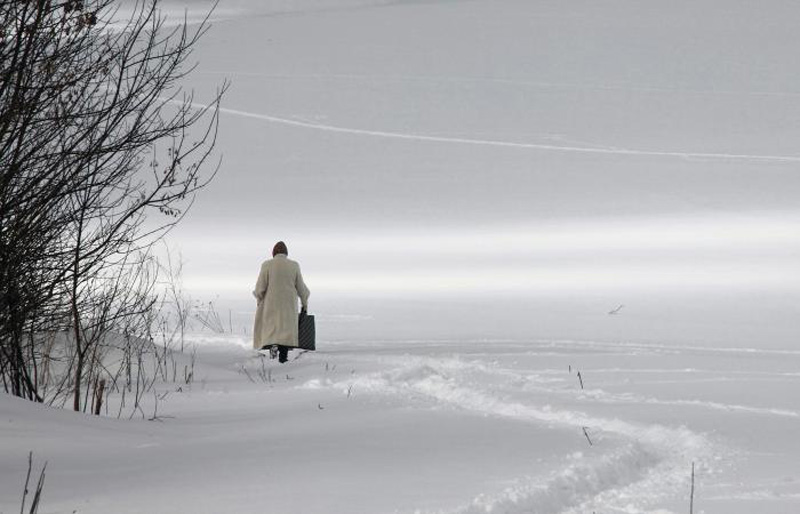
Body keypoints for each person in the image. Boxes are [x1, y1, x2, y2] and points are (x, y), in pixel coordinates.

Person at [252, 241, 310, 363]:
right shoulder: (294, 265)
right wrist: (304, 302)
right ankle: (283, 356)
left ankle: (273, 347)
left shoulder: (267, 265)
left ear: (273, 253)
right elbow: (301, 288)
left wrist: (258, 297)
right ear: (286, 253)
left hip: (271, 304)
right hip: (288, 305)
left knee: (272, 328)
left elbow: (260, 288)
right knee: (285, 330)